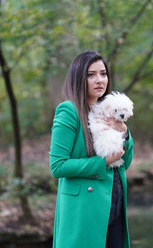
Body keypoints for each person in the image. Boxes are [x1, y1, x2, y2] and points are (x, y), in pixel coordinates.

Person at [49, 50, 134, 248]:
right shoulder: (68, 111)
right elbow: (58, 166)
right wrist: (102, 162)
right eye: (91, 74)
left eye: (103, 74)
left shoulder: (110, 108)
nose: (99, 80)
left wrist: (125, 132)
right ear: (78, 78)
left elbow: (126, 162)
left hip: (114, 197)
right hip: (83, 207)